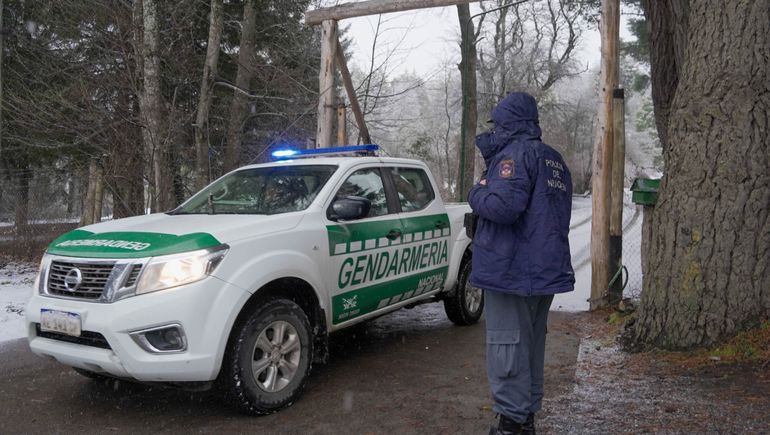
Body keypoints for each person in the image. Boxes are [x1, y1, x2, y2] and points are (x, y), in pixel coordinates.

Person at [468, 92, 574, 435]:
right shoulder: (552, 159)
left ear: (509, 124)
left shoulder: (514, 156)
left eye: (497, 124)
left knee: (507, 346)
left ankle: (511, 425)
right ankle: (524, 420)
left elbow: (503, 207)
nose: (494, 130)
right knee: (529, 345)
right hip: (541, 271)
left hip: (511, 271)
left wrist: (476, 192)